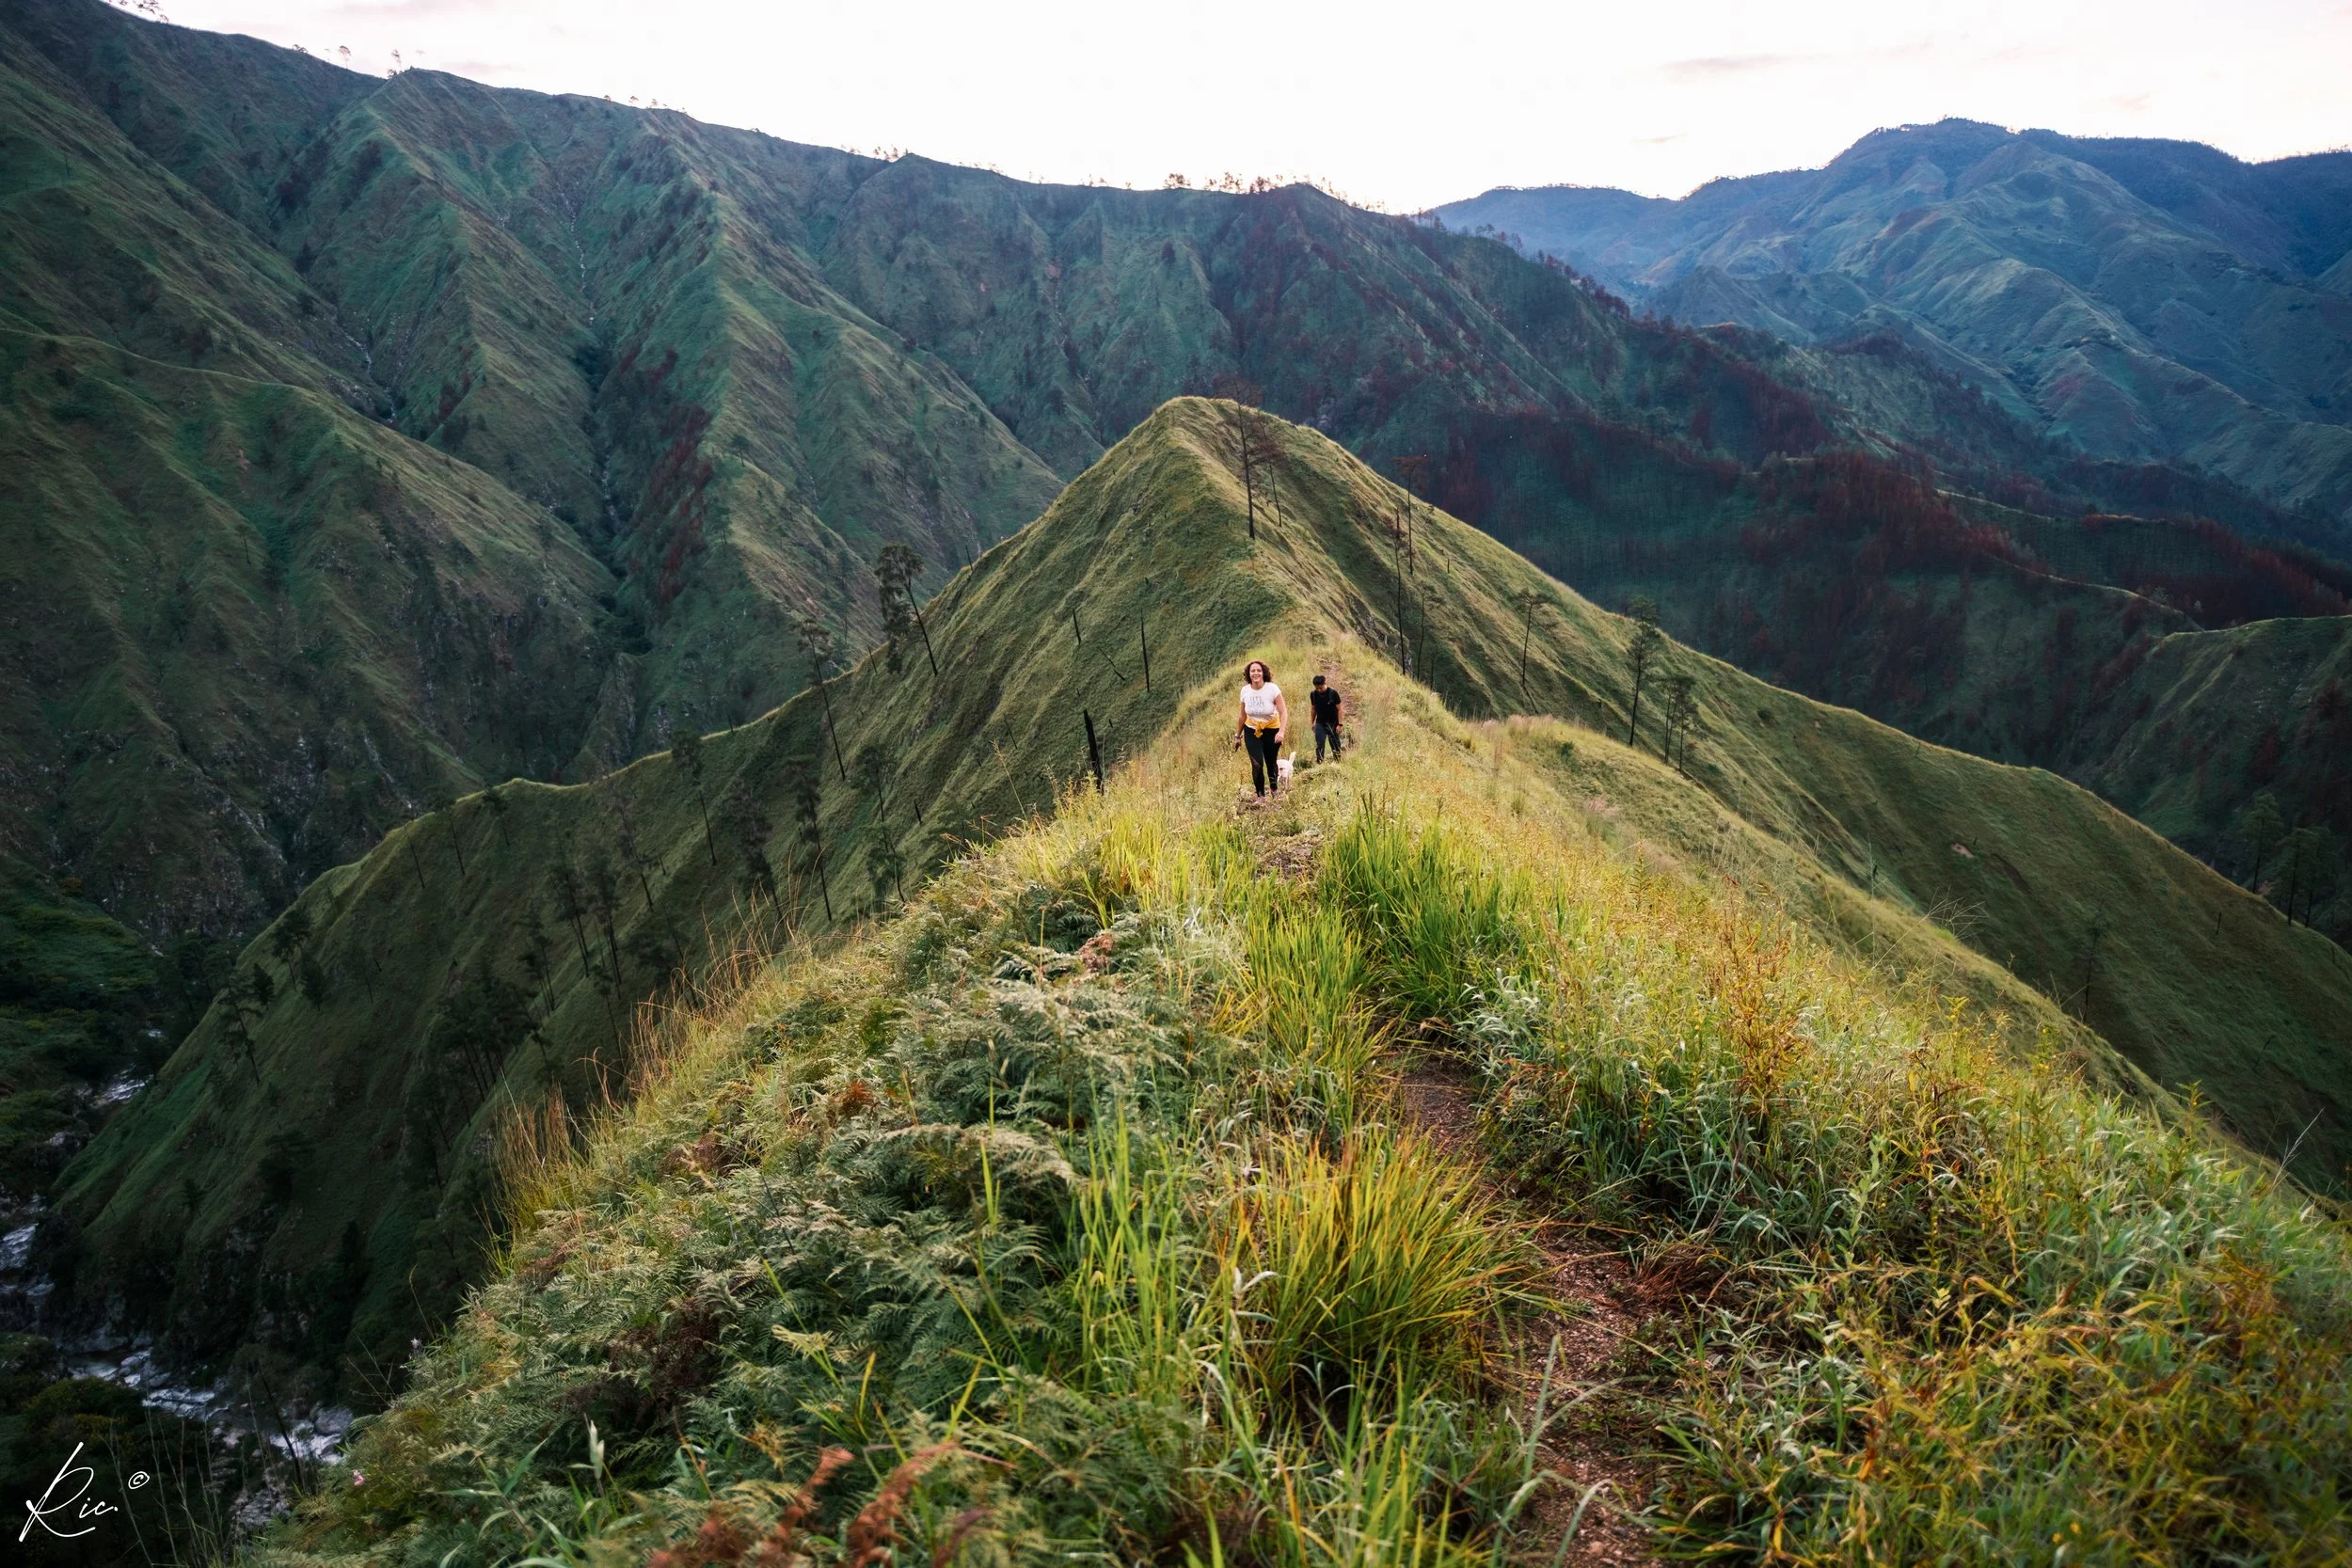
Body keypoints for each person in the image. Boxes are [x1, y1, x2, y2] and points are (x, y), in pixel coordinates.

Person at [1235, 659, 1287, 797]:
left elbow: (1283, 712)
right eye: (1253, 671)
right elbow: (1242, 716)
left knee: (1271, 762)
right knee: (1257, 763)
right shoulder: (1245, 691)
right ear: (1249, 674)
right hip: (1252, 730)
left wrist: (1281, 731)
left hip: (1272, 729)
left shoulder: (1272, 689)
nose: (1256, 673)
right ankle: (1260, 796)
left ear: (1263, 672)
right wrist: (1238, 736)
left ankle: (1274, 789)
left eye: (1258, 670)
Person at [1309, 673, 1344, 762]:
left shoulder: (1333, 693)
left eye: (1321, 688)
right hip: (1320, 723)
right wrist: (1312, 723)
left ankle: (1338, 762)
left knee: (1335, 745)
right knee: (1320, 744)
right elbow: (1313, 709)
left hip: (1333, 723)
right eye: (1317, 688)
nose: (1319, 690)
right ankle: (1320, 763)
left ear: (1325, 683)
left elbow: (1340, 709)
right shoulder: (1313, 694)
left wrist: (1340, 724)